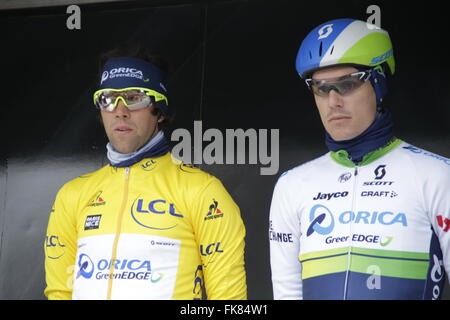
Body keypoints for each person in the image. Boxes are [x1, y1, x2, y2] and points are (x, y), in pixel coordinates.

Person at [44, 46, 247, 300]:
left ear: (159, 110)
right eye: (107, 98)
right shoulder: (72, 195)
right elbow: (59, 293)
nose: (120, 110)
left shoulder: (202, 191)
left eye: (134, 97)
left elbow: (229, 300)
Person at [269, 18, 450, 299]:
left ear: (378, 85)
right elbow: (287, 292)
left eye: (347, 84)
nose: (333, 102)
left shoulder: (436, 174)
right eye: (321, 88)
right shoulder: (291, 185)